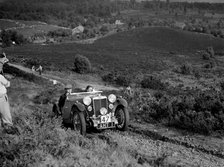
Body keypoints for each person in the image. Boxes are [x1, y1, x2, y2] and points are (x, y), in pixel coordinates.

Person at [0, 52, 15, 134]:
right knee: (6, 115)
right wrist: (8, 81)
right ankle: (9, 131)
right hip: (1, 98)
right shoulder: (0, 77)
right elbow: (7, 84)